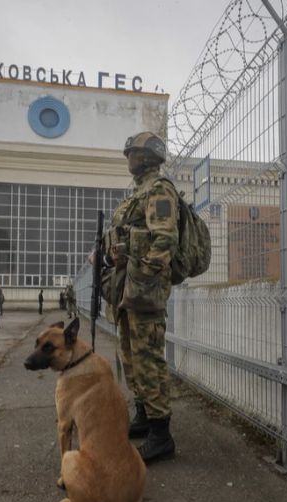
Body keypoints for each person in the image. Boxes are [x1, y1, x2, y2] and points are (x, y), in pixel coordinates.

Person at [100, 131, 177, 463]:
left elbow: (164, 240)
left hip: (143, 291)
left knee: (148, 359)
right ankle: (145, 417)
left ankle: (162, 435)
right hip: (128, 289)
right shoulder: (137, 194)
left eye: (132, 152)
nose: (128, 157)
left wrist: (143, 278)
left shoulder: (160, 190)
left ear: (147, 156)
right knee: (130, 357)